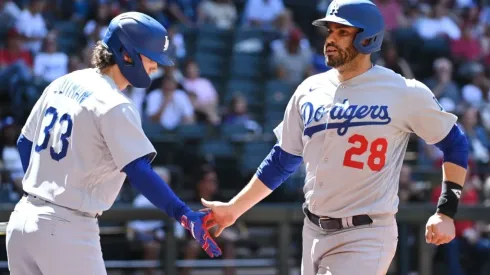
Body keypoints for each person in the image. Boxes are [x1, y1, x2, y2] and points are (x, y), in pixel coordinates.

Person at [201, 1, 469, 274]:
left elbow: (455, 143)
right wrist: (234, 209)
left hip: (366, 233)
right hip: (312, 231)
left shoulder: (404, 91)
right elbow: (283, 160)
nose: (330, 38)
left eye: (342, 32)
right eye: (329, 31)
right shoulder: (310, 89)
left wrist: (446, 210)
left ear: (368, 38)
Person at [5, 11, 221, 275]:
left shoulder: (64, 81)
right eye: (151, 57)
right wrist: (183, 214)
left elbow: (24, 143)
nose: (156, 66)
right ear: (126, 54)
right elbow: (139, 171)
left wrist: (43, 188)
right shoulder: (114, 104)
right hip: (66, 228)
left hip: (23, 220)